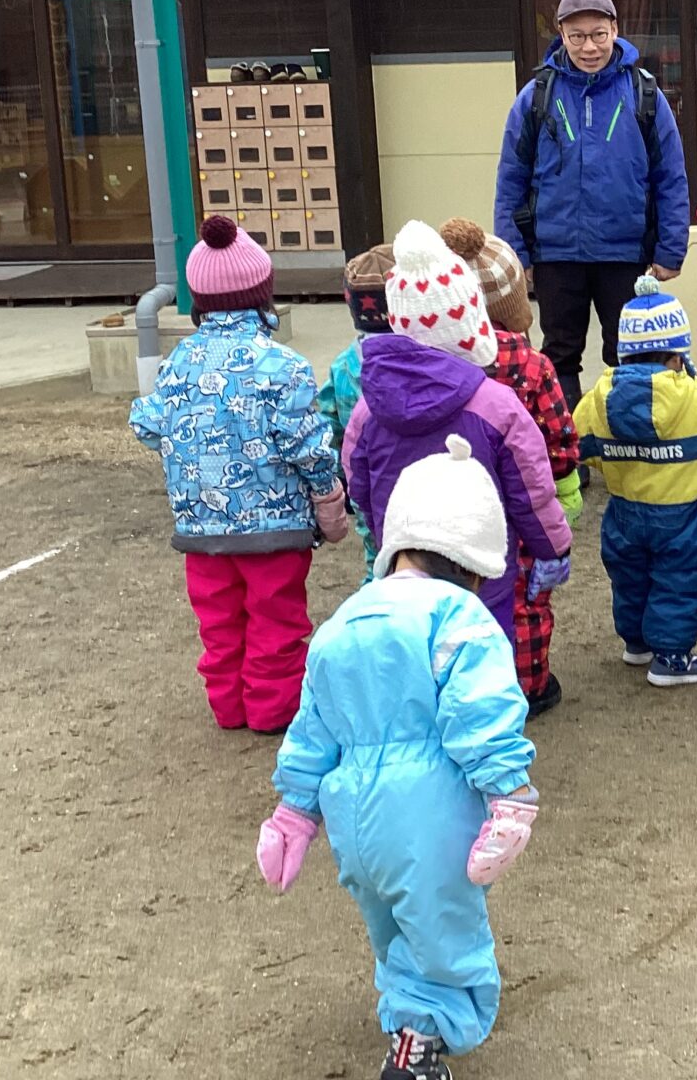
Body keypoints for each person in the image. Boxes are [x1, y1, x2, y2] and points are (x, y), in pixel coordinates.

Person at [257, 434, 540, 1080]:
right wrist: (509, 795)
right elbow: (480, 711)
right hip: (429, 814)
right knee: (444, 931)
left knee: (391, 923)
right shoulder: (459, 618)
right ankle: (418, 1041)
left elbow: (314, 725)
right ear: (474, 561)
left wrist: (294, 812)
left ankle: (407, 1005)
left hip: (354, 819)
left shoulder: (346, 621)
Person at [129, 214, 349, 733]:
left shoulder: (177, 362)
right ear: (262, 293)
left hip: (200, 527)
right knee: (277, 621)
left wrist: (184, 447)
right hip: (274, 527)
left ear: (198, 300)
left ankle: (228, 707)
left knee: (219, 624)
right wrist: (327, 494)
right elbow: (308, 447)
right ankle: (273, 710)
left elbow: (147, 422)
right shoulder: (284, 366)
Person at [342, 220, 573, 646]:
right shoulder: (497, 405)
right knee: (480, 660)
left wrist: (384, 536)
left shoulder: (368, 409)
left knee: (412, 656)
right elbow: (531, 491)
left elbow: (359, 484)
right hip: (482, 576)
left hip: (403, 571)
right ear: (471, 323)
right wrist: (553, 548)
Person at [493, 0, 692, 414]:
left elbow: (671, 177)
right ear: (561, 35)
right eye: (578, 36)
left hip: (624, 252)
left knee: (629, 352)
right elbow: (510, 179)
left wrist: (671, 248)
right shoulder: (536, 96)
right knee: (559, 354)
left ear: (615, 30)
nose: (589, 47)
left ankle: (625, 438)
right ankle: (566, 444)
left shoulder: (644, 94)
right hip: (555, 253)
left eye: (599, 34)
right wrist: (515, 254)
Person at [440, 216, 582, 719]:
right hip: (516, 508)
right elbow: (558, 437)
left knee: (450, 593)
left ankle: (455, 686)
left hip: (447, 502)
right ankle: (526, 685)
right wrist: (560, 481)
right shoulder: (531, 365)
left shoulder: (434, 363)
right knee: (524, 598)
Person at [573, 277, 697, 687]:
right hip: (685, 515)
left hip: (624, 510)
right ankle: (671, 658)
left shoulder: (598, 398)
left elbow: (582, 446)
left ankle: (636, 643)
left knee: (629, 577)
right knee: (680, 581)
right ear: (679, 355)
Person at [317, 241, 396, 560]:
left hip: (365, 481)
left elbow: (328, 427)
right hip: (415, 477)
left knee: (376, 556)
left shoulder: (343, 366)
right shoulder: (422, 360)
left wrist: (340, 475)